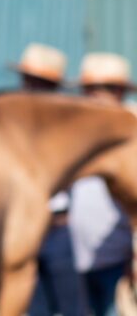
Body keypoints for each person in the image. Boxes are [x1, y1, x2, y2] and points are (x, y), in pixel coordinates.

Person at [18, 44, 88, 316]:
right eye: (30, 81)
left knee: (73, 308)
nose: (34, 89)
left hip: (58, 227)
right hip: (25, 230)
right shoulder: (13, 125)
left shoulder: (66, 129)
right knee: (35, 308)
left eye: (43, 84)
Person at [70, 53, 136, 316]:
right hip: (80, 255)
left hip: (119, 259)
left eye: (105, 89)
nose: (96, 96)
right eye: (91, 89)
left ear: (119, 91)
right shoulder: (76, 132)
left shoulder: (130, 131)